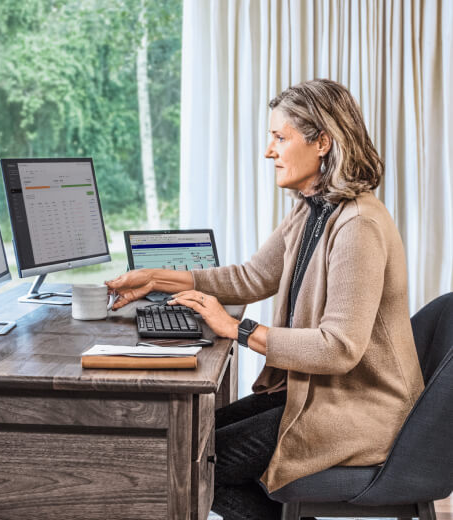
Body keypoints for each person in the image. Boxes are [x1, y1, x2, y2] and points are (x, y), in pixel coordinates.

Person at [105, 79, 424, 520]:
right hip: (317, 395)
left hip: (358, 410)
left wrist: (237, 328)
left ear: (323, 143)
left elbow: (339, 348)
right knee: (190, 442)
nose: (268, 151)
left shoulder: (358, 225)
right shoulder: (312, 207)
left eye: (279, 137)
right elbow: (253, 276)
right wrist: (156, 279)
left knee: (191, 463)